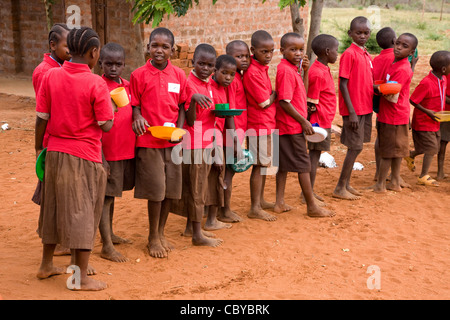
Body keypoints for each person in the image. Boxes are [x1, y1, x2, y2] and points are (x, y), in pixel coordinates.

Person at [35, 27, 114, 291]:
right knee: (83, 213)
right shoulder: (95, 83)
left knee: (53, 208)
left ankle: (46, 264)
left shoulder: (51, 76)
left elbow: (41, 118)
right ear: (94, 53)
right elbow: (105, 125)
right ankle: (79, 278)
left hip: (54, 153)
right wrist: (112, 108)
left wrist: (39, 150)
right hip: (84, 156)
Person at [130, 27, 187, 258]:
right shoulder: (138, 75)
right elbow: (134, 103)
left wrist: (180, 130)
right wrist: (137, 116)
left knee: (170, 191)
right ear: (148, 48)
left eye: (165, 47)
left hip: (172, 142)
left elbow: (182, 105)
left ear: (172, 50)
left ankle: (161, 232)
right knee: (156, 191)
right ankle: (152, 236)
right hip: (149, 141)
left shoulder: (179, 75)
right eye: (155, 45)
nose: (159, 50)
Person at [274, 32, 335, 218]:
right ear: (282, 50)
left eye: (301, 49)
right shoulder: (285, 70)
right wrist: (303, 120)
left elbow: (303, 90)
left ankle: (279, 202)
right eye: (293, 50)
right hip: (291, 126)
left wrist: (305, 71)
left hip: (289, 125)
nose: (298, 53)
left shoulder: (292, 69)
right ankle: (311, 206)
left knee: (283, 165)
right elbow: (284, 101)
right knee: (303, 166)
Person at [176, 43, 223, 247]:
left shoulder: (209, 84)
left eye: (210, 65)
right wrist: (193, 101)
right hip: (193, 142)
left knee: (199, 186)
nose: (205, 68)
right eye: (201, 63)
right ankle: (197, 234)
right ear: (193, 62)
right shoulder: (189, 84)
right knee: (196, 187)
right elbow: (190, 118)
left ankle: (191, 227)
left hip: (207, 140)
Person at [31, 23, 72, 257]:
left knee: (56, 190)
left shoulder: (60, 66)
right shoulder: (44, 71)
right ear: (53, 45)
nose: (71, 51)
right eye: (67, 46)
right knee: (52, 191)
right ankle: (52, 239)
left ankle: (57, 237)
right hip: (51, 139)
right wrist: (40, 147)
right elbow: (44, 111)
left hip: (58, 137)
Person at [98, 43, 135, 262]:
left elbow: (134, 110)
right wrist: (101, 158)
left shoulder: (127, 86)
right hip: (107, 152)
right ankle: (106, 245)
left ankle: (110, 233)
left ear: (124, 65)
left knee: (112, 196)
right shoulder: (98, 86)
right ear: (100, 63)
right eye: (108, 63)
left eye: (118, 64)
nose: (113, 68)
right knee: (105, 198)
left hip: (123, 150)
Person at [332, 16, 374, 201]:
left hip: (365, 107)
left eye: (366, 33)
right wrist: (351, 112)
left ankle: (347, 184)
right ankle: (340, 186)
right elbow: (342, 84)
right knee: (353, 147)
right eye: (358, 33)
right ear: (350, 34)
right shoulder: (349, 54)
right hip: (354, 110)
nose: (362, 36)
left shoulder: (365, 53)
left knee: (358, 147)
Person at [372, 33, 418, 193]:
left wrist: (372, 87)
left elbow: (391, 91)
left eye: (404, 46)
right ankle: (395, 181)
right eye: (398, 43)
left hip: (394, 115)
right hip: (394, 114)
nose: (398, 47)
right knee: (397, 150)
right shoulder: (395, 63)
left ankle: (380, 185)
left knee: (388, 152)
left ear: (412, 53)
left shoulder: (403, 68)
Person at [243, 30, 277, 221]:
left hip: (267, 123)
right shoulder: (252, 72)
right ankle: (255, 207)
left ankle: (261, 200)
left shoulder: (261, 69)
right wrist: (276, 93)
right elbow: (264, 101)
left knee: (264, 164)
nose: (269, 56)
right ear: (253, 50)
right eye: (264, 52)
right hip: (258, 124)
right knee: (258, 165)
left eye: (272, 51)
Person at [405, 50, 450, 186]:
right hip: (424, 121)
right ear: (443, 69)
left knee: (432, 147)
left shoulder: (443, 79)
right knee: (431, 148)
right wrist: (428, 112)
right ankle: (423, 175)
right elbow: (413, 100)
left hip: (435, 120)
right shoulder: (426, 83)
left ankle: (411, 155)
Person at [204, 54, 238, 231]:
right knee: (214, 178)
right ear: (214, 71)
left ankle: (213, 216)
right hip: (209, 138)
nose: (228, 77)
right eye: (224, 73)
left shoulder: (223, 89)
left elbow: (229, 115)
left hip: (216, 138)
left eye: (232, 74)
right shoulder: (209, 89)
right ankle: (210, 220)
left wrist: (235, 143)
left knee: (216, 177)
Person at [218, 40, 251, 223]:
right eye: (239, 57)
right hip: (230, 135)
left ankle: (220, 209)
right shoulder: (232, 80)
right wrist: (235, 142)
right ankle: (225, 210)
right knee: (227, 175)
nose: (244, 60)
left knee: (226, 174)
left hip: (235, 132)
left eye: (246, 56)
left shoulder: (237, 77)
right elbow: (229, 112)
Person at [306, 34, 339, 203]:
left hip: (324, 119)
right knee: (314, 155)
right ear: (327, 51)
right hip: (318, 122)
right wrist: (313, 125)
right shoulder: (317, 73)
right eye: (336, 51)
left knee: (316, 155)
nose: (337, 54)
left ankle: (309, 192)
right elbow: (311, 103)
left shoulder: (323, 68)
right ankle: (307, 194)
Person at [372, 27, 396, 181]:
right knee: (392, 138)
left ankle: (378, 171)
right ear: (395, 41)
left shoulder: (376, 59)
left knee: (380, 135)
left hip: (378, 98)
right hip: (391, 100)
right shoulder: (396, 57)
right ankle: (388, 175)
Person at [437, 72, 450, 181]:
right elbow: (440, 92)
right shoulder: (445, 73)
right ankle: (440, 171)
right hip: (447, 112)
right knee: (443, 141)